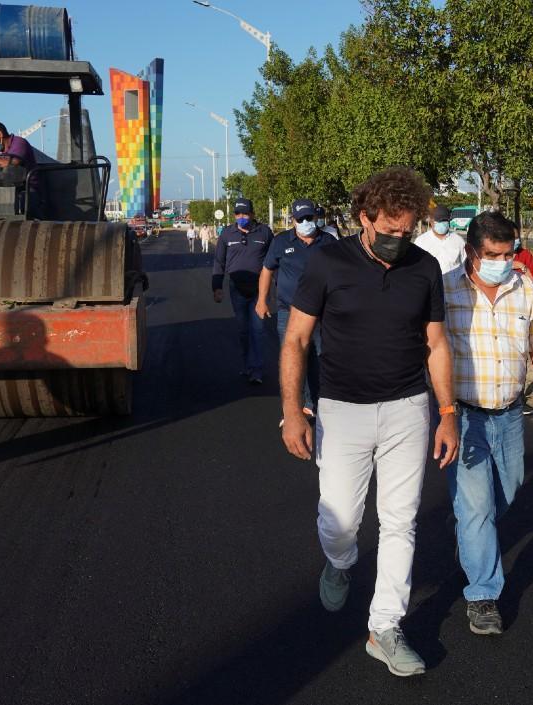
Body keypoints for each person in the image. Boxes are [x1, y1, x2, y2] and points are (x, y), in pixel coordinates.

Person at [280, 167, 458, 678]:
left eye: (407, 230)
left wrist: (447, 414)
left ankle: (385, 627)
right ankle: (340, 562)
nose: (398, 239)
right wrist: (292, 412)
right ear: (365, 217)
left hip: (408, 409)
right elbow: (296, 339)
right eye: (389, 229)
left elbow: (436, 344)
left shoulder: (424, 268)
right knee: (340, 522)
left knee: (400, 521)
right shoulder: (327, 262)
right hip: (341, 411)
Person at [442, 210, 533, 635]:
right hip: (464, 415)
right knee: (477, 509)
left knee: (507, 494)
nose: (502, 262)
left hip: (511, 415)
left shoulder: (524, 287)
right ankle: (483, 595)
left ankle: (468, 532)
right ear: (471, 252)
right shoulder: (445, 291)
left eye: (508, 253)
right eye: (492, 255)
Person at [257, 198, 332, 420]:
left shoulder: (328, 241)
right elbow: (267, 270)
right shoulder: (281, 242)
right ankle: (292, 411)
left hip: (320, 314)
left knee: (318, 359)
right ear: (293, 220)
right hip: (288, 312)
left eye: (309, 217)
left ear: (316, 217)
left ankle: (313, 403)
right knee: (292, 360)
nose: (306, 222)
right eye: (301, 219)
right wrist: (262, 300)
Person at [212, 198, 274, 384]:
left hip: (259, 290)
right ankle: (247, 365)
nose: (241, 217)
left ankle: (257, 370)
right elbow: (219, 262)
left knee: (258, 330)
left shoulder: (265, 232)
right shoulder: (227, 234)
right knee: (243, 330)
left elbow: (274, 260)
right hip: (236, 289)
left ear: (252, 214)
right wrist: (216, 286)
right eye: (238, 214)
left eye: (245, 214)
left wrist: (279, 285)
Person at [413, 204, 465, 274]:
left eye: (445, 220)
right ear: (431, 221)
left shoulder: (458, 241)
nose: (442, 223)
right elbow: (415, 267)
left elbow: (465, 265)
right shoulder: (420, 242)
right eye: (439, 221)